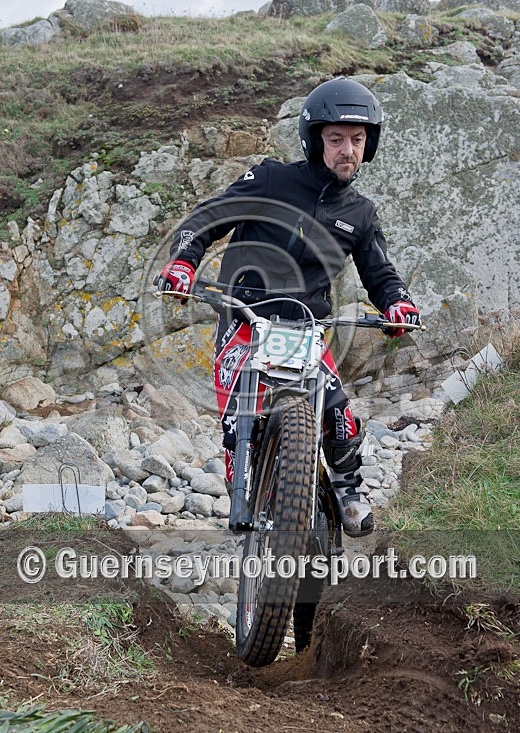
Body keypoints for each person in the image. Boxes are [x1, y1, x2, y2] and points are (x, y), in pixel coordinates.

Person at [155, 77, 421, 536]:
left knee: (341, 419)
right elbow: (208, 218)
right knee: (242, 420)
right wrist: (183, 263)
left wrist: (398, 303)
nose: (347, 151)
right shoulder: (271, 178)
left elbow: (379, 272)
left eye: (357, 141)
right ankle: (247, 494)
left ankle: (347, 486)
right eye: (335, 139)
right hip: (245, 320)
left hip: (307, 329)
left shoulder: (360, 213)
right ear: (314, 138)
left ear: (369, 145)